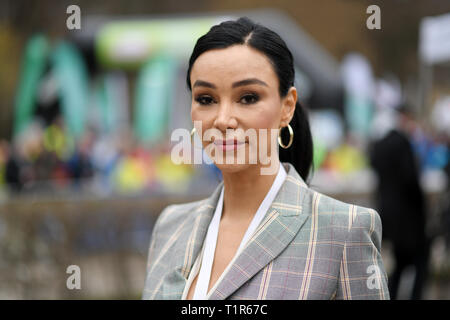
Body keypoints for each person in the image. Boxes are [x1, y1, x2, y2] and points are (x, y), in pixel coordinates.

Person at [142, 17, 389, 300]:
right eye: (206, 98)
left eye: (247, 97)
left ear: (287, 107)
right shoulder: (171, 226)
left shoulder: (344, 232)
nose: (222, 120)